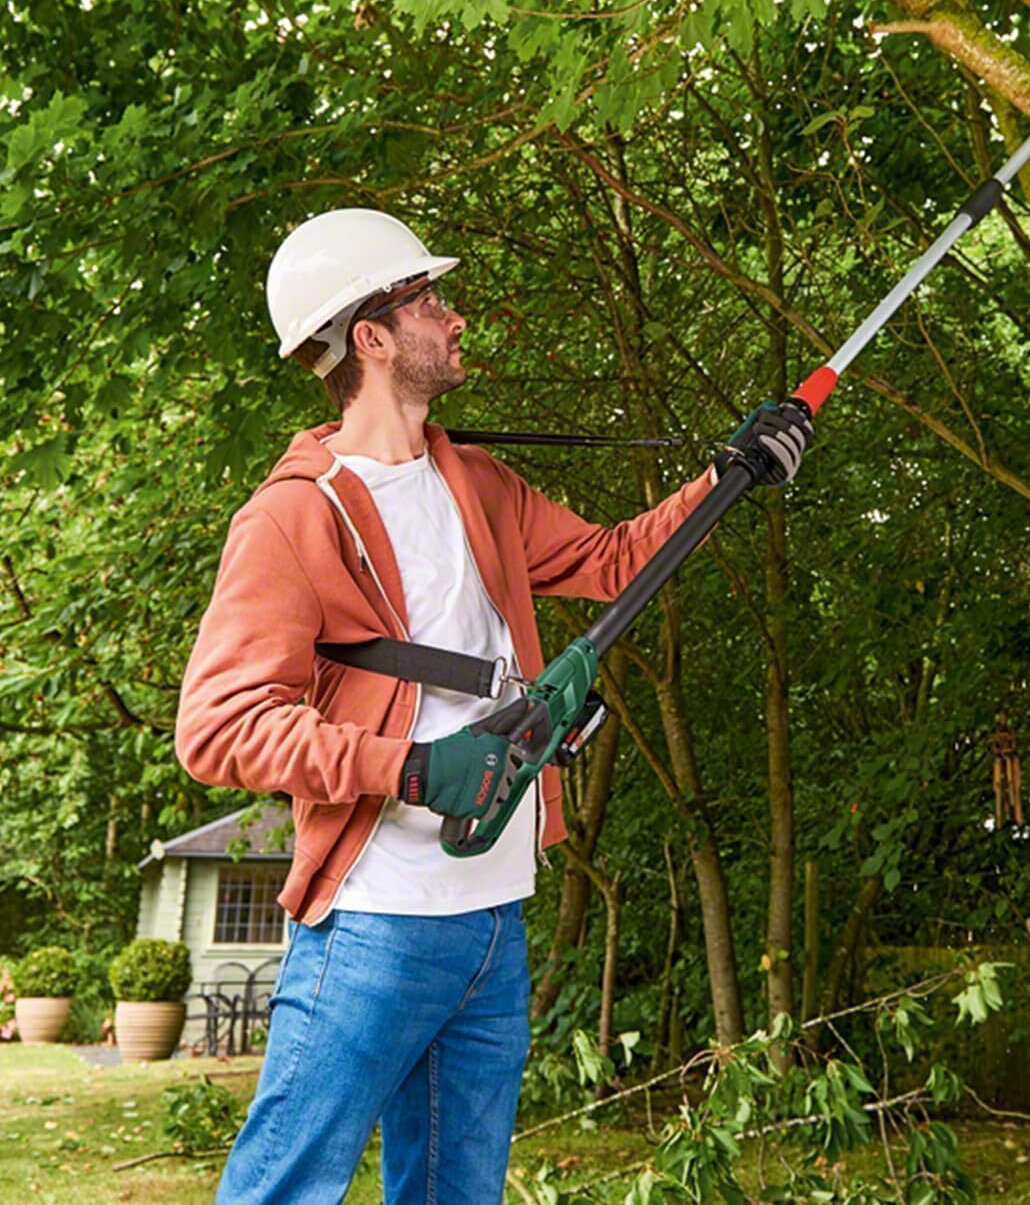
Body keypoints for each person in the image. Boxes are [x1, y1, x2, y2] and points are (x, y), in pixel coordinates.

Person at [177, 208, 811, 1203]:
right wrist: (414, 769)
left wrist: (727, 477)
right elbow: (218, 725)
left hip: (491, 922)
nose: (455, 315)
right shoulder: (296, 515)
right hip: (375, 926)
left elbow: (612, 561)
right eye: (429, 299)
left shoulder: (476, 481)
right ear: (372, 336)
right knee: (282, 1190)